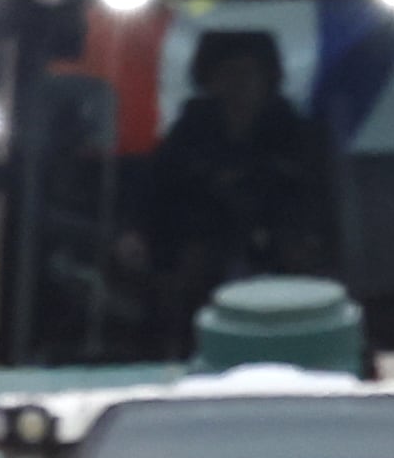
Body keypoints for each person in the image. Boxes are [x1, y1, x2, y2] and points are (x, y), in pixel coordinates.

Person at [137, 26, 334, 321]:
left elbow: (319, 197)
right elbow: (158, 192)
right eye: (226, 73)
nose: (237, 84)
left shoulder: (296, 134)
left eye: (247, 74)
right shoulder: (188, 133)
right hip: (201, 245)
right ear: (208, 79)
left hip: (282, 241)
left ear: (268, 78)